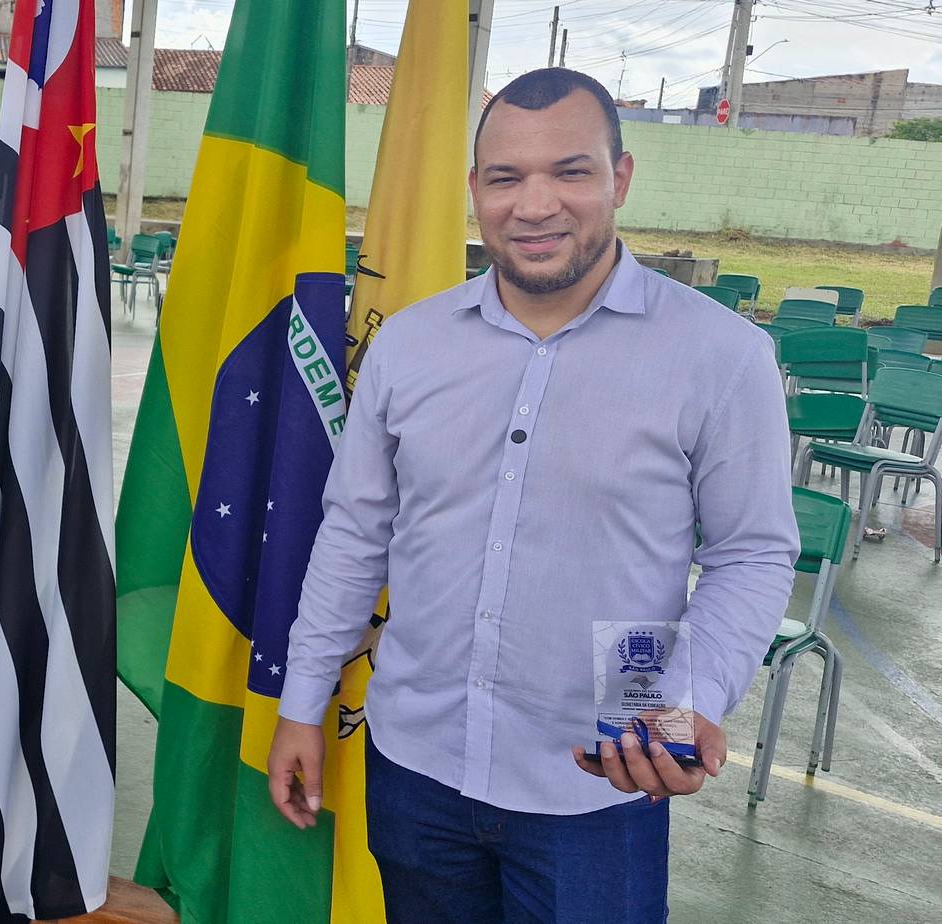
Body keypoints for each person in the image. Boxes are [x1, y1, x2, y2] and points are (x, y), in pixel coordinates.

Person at [266, 67, 798, 922]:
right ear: (475, 188)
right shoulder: (408, 348)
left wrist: (686, 695)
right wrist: (301, 704)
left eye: (571, 172)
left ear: (620, 179)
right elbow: (356, 532)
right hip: (415, 771)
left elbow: (752, 554)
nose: (535, 205)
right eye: (507, 178)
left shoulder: (721, 356)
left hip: (599, 783)